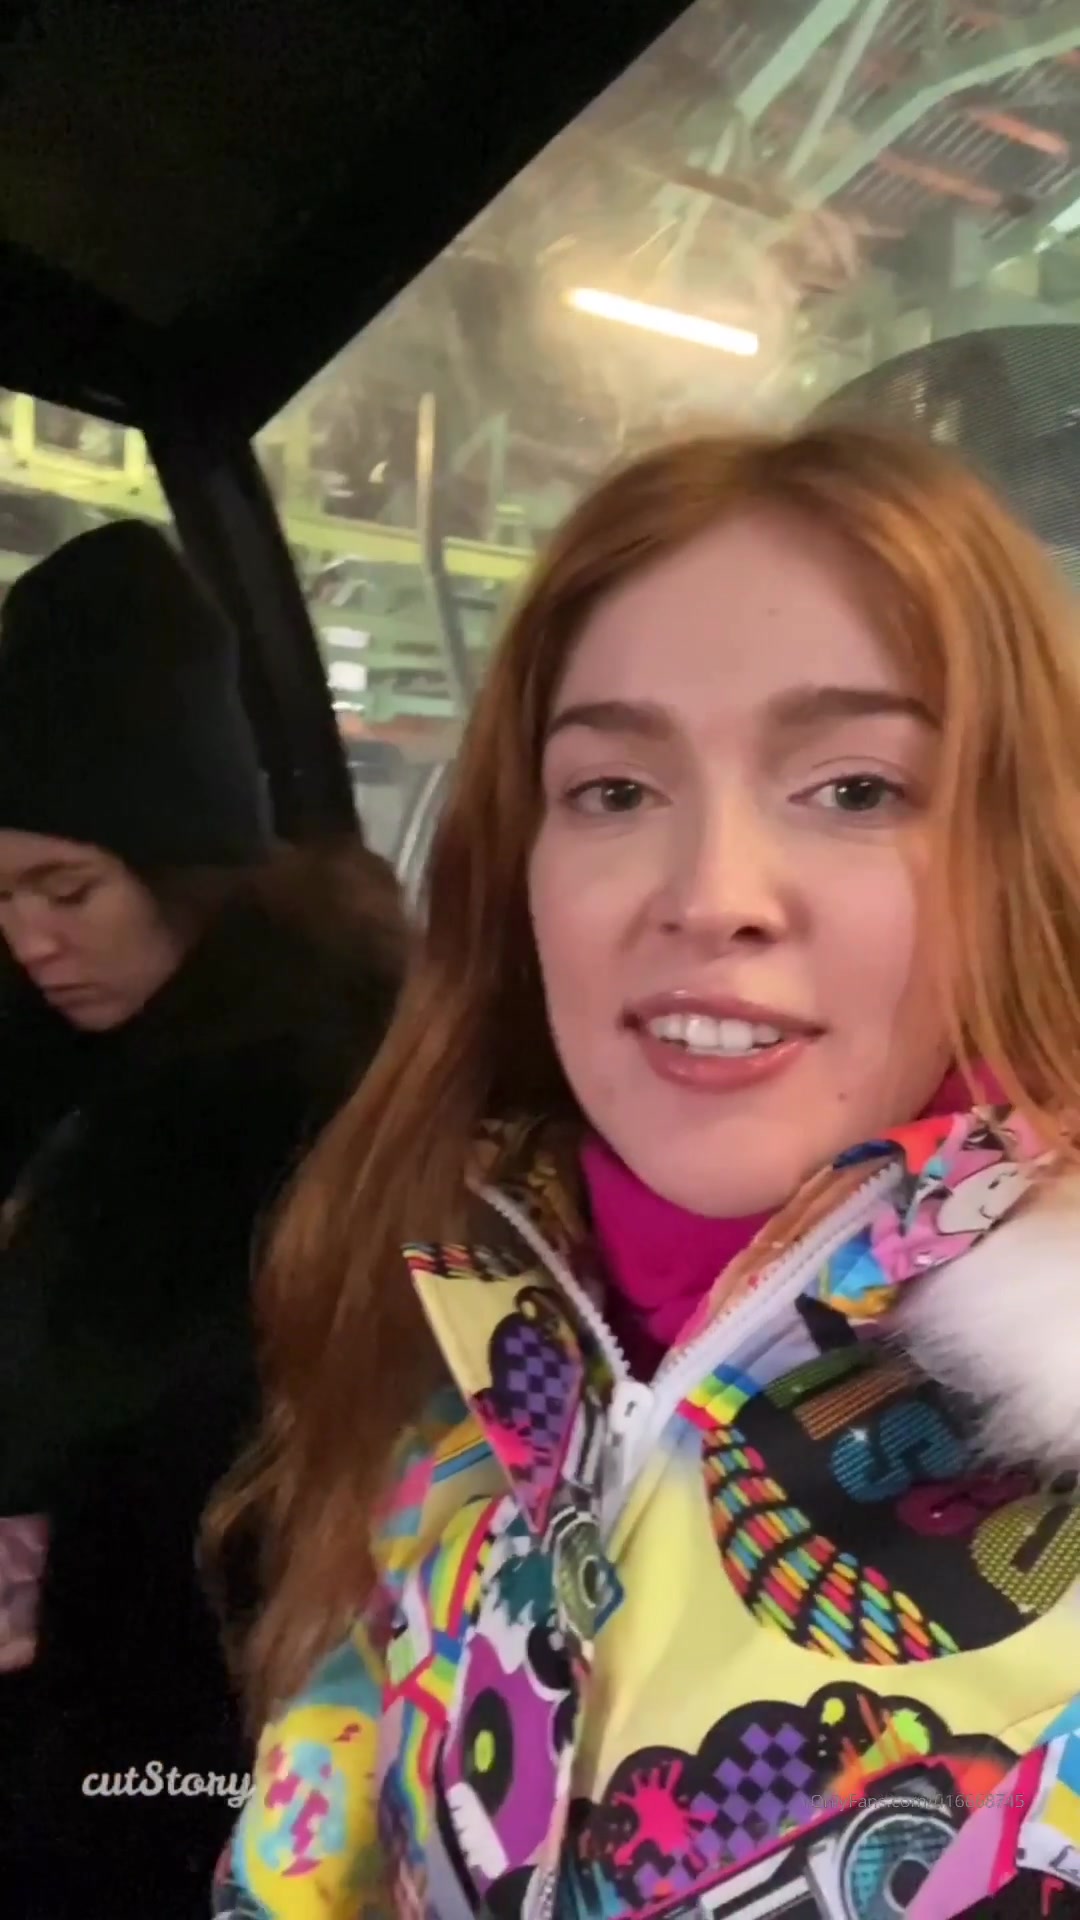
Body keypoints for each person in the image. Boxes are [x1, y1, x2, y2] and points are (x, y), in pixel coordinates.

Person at [212, 424, 1080, 1920]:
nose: (710, 895)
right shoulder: (460, 1348)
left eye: (856, 788)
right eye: (614, 791)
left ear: (1025, 852)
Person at [0, 522, 404, 1917]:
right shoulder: (85, 1058)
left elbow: (89, 1392)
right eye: (0, 896)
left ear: (188, 867)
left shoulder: (274, 1103)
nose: (32, 940)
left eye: (68, 889)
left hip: (207, 1735)